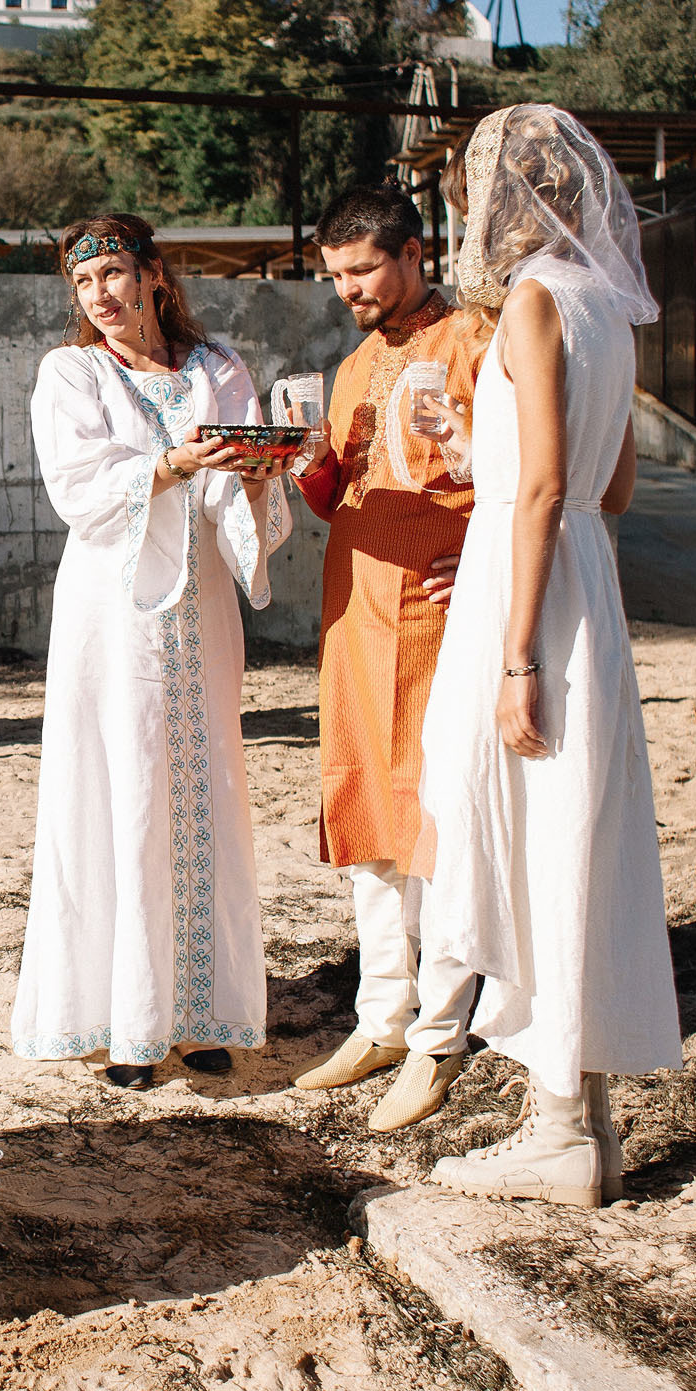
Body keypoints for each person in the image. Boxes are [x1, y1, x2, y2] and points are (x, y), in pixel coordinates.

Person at [415, 104, 682, 1208]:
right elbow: (607, 487)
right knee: (574, 830)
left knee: (527, 832)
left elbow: (535, 490)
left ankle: (559, 1127)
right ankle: (589, 1123)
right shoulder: (608, 311)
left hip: (529, 592)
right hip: (588, 579)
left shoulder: (530, 301)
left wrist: (518, 653)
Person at [10, 214, 292, 1088]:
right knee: (122, 789)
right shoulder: (72, 371)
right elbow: (80, 491)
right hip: (113, 613)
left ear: (155, 277)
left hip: (200, 608)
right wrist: (168, 467)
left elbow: (241, 495)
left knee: (200, 788)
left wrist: (255, 474)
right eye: (85, 283)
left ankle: (201, 1010)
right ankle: (128, 1021)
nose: (100, 296)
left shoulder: (220, 370)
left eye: (115, 276)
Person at [287, 186, 497, 1133]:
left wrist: (487, 554)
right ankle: (381, 1015)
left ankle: (441, 1037)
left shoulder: (482, 340)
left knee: (438, 819)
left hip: (442, 612)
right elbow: (341, 495)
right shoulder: (354, 363)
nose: (349, 292)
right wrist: (303, 467)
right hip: (355, 609)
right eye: (335, 277)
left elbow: (536, 475)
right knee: (366, 804)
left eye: (362, 271)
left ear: (415, 253)